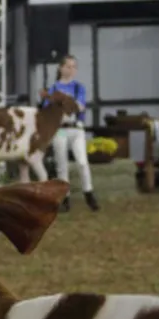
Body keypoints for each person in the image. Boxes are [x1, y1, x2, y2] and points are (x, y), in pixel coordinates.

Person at [40, 54, 99, 212]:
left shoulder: (78, 87)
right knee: (61, 164)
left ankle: (89, 192)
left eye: (74, 67)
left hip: (76, 128)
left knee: (82, 161)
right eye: (68, 66)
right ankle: (65, 197)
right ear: (61, 68)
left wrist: (61, 102)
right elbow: (47, 109)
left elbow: (79, 106)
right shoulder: (53, 88)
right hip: (60, 129)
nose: (71, 69)